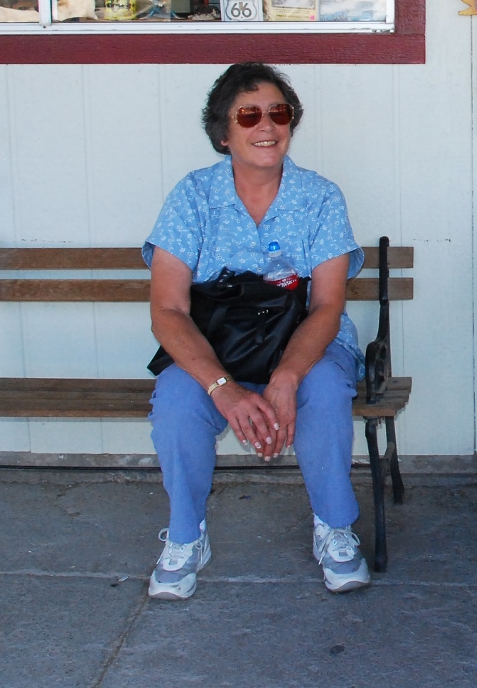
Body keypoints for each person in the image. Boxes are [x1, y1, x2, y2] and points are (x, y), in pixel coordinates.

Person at [143, 63, 370, 600]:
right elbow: (168, 310)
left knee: (325, 388)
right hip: (217, 344)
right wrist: (224, 389)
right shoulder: (193, 196)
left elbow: (328, 305)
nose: (266, 125)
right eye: (249, 114)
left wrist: (287, 377)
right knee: (176, 398)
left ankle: (336, 527)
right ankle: (185, 536)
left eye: (278, 113)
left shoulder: (319, 196)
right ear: (224, 132)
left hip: (303, 339)